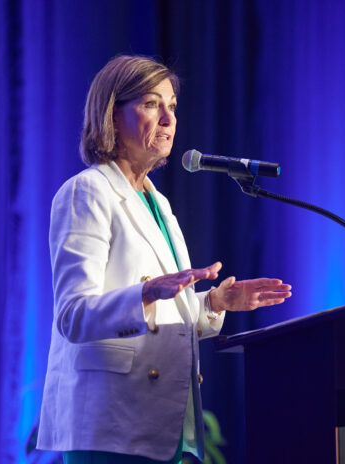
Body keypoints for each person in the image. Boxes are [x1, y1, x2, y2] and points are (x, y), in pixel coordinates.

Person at [36, 55, 292, 464]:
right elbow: (73, 315)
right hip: (112, 428)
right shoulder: (87, 192)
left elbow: (164, 315)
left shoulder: (159, 204)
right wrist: (148, 291)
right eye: (152, 104)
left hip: (164, 425)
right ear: (112, 115)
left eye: (172, 106)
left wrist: (213, 303)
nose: (169, 119)